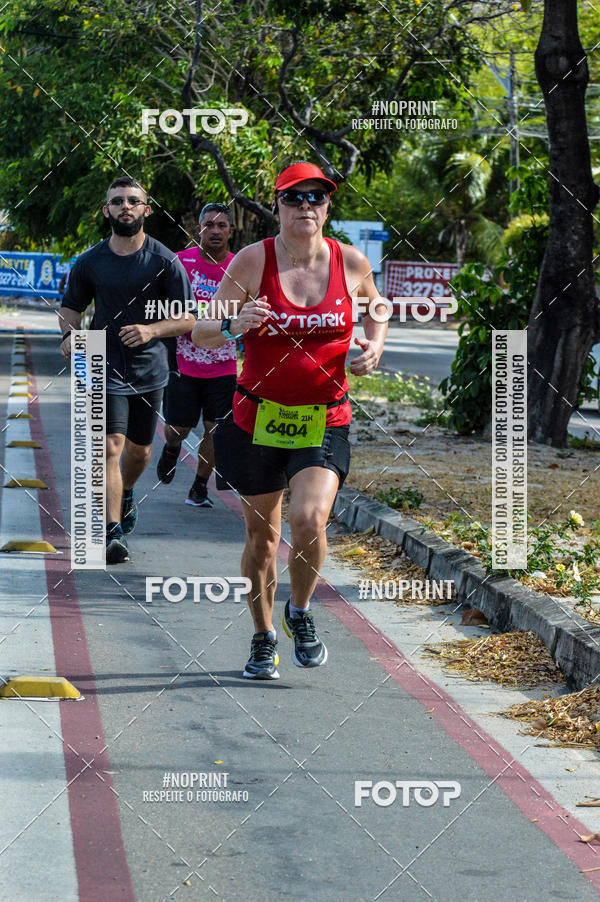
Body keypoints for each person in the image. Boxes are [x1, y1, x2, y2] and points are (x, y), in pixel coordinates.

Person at [192, 160, 388, 679]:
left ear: (327, 206)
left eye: (316, 197)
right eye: (294, 198)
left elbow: (378, 306)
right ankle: (262, 635)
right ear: (276, 206)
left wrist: (374, 347)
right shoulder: (253, 262)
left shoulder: (350, 261)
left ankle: (299, 611)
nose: (306, 206)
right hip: (256, 419)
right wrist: (235, 324)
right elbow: (204, 333)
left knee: (309, 520)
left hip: (325, 416)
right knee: (262, 539)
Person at [59, 176, 195, 564]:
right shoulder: (89, 262)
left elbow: (187, 319)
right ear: (107, 211)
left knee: (139, 451)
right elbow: (70, 312)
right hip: (100, 362)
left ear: (146, 210)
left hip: (151, 369)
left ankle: (128, 490)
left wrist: (152, 329)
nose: (125, 207)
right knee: (109, 447)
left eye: (133, 201)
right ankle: (112, 531)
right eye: (117, 201)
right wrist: (69, 336)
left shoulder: (165, 261)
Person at [156, 203, 237, 507]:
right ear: (199, 230)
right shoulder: (180, 262)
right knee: (178, 429)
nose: (215, 231)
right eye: (209, 225)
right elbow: (161, 304)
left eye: (221, 225)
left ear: (230, 231)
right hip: (183, 363)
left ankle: (199, 486)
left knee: (216, 430)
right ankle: (172, 448)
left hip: (224, 365)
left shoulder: (239, 266)